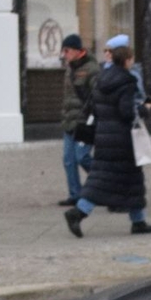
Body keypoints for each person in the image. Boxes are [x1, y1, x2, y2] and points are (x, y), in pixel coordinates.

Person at [65, 40, 151, 236]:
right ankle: (78, 213)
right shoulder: (127, 81)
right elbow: (126, 112)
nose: (132, 62)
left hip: (104, 137)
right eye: (131, 59)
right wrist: (144, 109)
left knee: (114, 180)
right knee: (120, 180)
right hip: (122, 140)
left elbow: (97, 107)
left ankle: (138, 220)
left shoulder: (103, 78)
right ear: (127, 60)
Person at [56, 33, 95, 206]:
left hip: (85, 122)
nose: (64, 54)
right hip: (70, 121)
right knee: (68, 160)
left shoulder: (91, 68)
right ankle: (75, 195)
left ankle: (107, 182)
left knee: (82, 157)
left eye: (67, 50)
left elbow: (96, 95)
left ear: (78, 51)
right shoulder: (70, 68)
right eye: (63, 51)